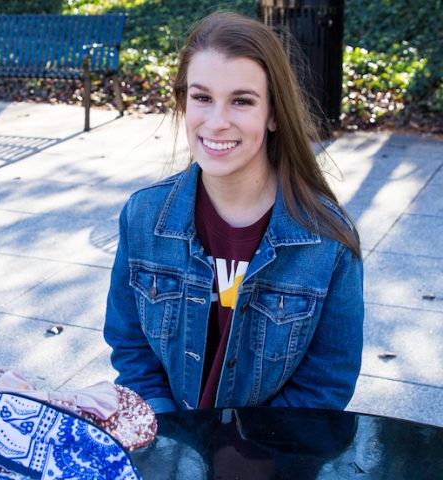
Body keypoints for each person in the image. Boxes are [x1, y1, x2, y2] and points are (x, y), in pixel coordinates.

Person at [103, 11, 364, 414]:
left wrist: (249, 452)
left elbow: (325, 385)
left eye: (241, 101)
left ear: (274, 114)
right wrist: (171, 434)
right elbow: (132, 348)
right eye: (202, 97)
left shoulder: (327, 240)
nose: (217, 121)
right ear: (182, 102)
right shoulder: (143, 216)